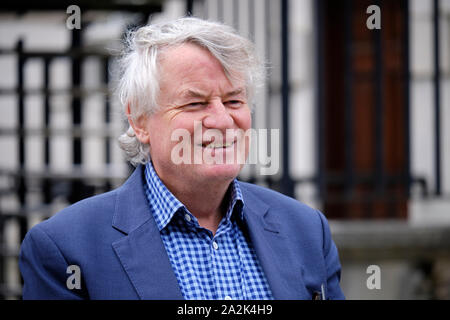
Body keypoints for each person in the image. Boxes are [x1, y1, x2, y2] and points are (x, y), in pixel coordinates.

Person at [19, 17, 345, 300]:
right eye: (195, 104)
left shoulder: (306, 230)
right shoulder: (65, 248)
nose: (220, 120)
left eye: (233, 101)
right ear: (139, 121)